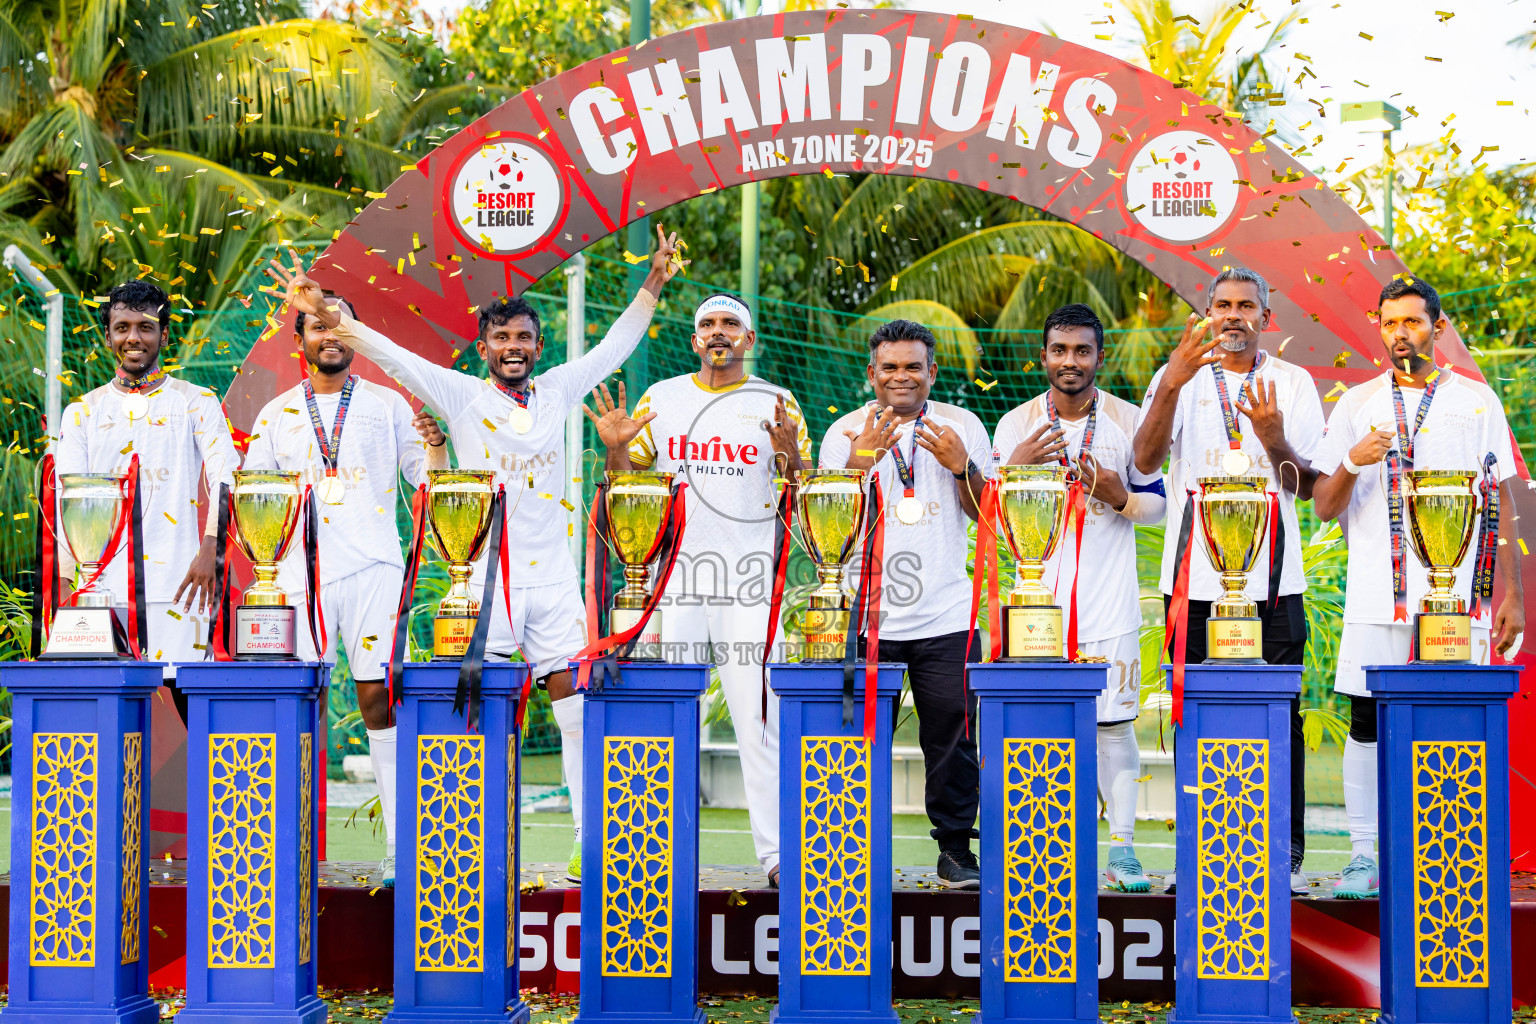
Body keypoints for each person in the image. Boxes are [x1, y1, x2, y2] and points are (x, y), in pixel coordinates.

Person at [267, 228, 687, 880]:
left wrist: (656, 279)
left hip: (553, 585)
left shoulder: (560, 389)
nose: (513, 348)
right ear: (484, 348)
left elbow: (614, 347)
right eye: (501, 339)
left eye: (523, 338)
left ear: (537, 346)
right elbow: (389, 352)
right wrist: (324, 316)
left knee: (575, 708)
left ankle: (589, 841)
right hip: (483, 589)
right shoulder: (461, 395)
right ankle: (468, 845)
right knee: (471, 716)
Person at [586, 292, 810, 887]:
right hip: (673, 580)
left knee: (759, 717)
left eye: (730, 323)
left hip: (748, 581)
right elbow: (626, 491)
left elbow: (805, 494)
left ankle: (779, 855)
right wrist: (615, 451)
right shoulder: (662, 399)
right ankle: (649, 854)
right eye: (707, 324)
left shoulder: (777, 402)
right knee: (662, 716)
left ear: (749, 338)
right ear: (692, 339)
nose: (718, 332)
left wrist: (792, 461)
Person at [1312, 275, 1525, 899]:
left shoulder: (1478, 401)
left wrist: (1510, 594)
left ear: (1438, 326)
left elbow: (1502, 498)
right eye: (1389, 323)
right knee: (1365, 719)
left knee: (1453, 718)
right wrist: (1354, 458)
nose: (1400, 334)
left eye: (1412, 322)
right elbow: (1324, 506)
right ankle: (1361, 855)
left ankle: (1448, 858)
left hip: (1460, 595)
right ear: (1378, 328)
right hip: (1379, 590)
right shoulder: (1356, 404)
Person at [242, 294, 449, 888]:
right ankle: (285, 851)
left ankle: (402, 850)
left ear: (354, 334)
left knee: (378, 700)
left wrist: (434, 443)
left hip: (375, 568)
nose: (328, 335)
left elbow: (429, 478)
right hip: (296, 575)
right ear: (300, 338)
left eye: (337, 325)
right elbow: (259, 497)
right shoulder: (277, 414)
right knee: (294, 701)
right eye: (316, 326)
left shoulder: (388, 405)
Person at [1132, 267, 1324, 895]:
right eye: (1222, 305)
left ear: (1266, 317)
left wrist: (1273, 438)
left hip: (1273, 580)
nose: (1233, 314)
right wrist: (1171, 386)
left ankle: (1285, 857)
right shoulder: (1178, 377)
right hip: (1195, 578)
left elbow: (1304, 487)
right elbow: (1144, 463)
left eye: (1247, 304)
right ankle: (1197, 853)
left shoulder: (1293, 383)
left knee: (1282, 717)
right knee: (1195, 715)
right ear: (1207, 313)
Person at [993, 304, 1166, 893]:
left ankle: (1122, 850)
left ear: (1099, 357)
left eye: (1082, 351)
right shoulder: (1015, 425)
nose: (1070, 362)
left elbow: (1159, 508)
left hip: (1108, 605)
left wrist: (1118, 496)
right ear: (1043, 356)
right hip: (1037, 611)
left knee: (1114, 727)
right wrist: (1012, 470)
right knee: (1035, 731)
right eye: (1059, 351)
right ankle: (1041, 854)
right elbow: (993, 522)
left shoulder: (1127, 419)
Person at [819, 319, 993, 889]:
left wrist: (960, 465)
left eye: (912, 366)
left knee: (953, 737)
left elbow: (987, 514)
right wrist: (856, 464)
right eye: (889, 367)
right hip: (869, 615)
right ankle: (849, 852)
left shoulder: (962, 425)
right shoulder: (845, 432)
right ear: (872, 373)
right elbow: (828, 528)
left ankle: (954, 851)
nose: (901, 376)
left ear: (931, 371)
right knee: (856, 737)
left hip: (946, 613)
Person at [56, 280, 238, 710]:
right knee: (103, 712)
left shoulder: (197, 401)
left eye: (145, 327)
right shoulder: (82, 411)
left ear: (165, 335)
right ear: (108, 337)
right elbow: (69, 502)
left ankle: (223, 781)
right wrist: (66, 584)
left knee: (194, 706)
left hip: (181, 584)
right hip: (101, 588)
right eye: (122, 328)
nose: (133, 338)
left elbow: (226, 475)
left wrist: (211, 549)